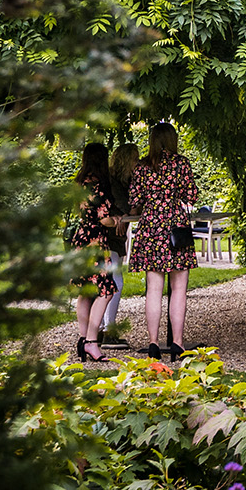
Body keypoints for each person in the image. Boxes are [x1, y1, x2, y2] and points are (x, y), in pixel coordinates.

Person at [129, 121, 200, 358]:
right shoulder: (181, 163)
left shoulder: (142, 166)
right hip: (175, 225)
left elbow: (134, 198)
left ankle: (153, 343)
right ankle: (178, 343)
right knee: (179, 288)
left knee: (153, 290)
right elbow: (191, 195)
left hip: (150, 225)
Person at [68, 142, 123, 362]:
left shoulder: (80, 181)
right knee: (106, 290)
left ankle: (83, 339)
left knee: (85, 291)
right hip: (94, 242)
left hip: (80, 239)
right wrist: (116, 220)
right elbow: (103, 218)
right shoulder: (98, 184)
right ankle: (91, 341)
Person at [99, 141, 140, 343]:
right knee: (115, 281)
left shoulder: (118, 181)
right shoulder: (117, 184)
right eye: (135, 158)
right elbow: (129, 209)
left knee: (106, 281)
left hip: (112, 237)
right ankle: (108, 330)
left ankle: (99, 329)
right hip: (109, 238)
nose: (138, 162)